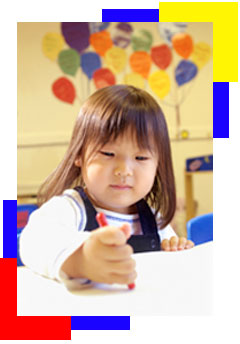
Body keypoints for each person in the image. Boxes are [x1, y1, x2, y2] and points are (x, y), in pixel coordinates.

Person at [20, 85, 194, 288]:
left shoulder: (154, 219)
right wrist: (81, 260)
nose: (124, 170)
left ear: (158, 164)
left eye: (141, 157)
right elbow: (33, 241)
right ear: (79, 154)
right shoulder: (69, 209)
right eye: (108, 154)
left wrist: (175, 250)